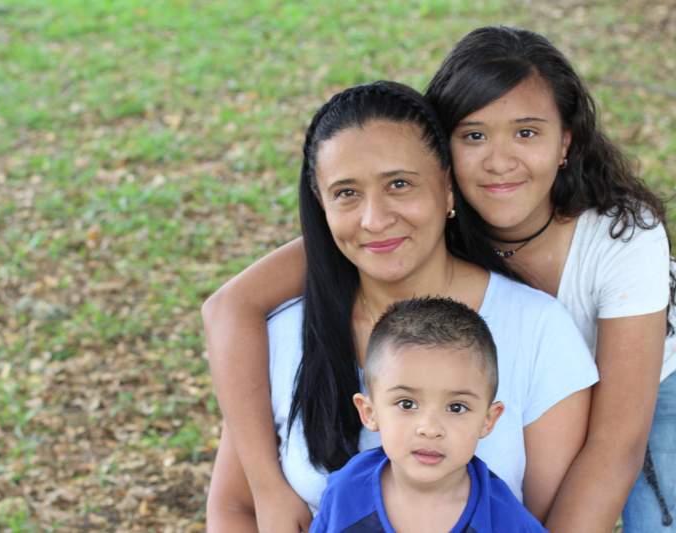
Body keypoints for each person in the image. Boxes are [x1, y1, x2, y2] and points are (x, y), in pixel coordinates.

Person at [203, 26, 675, 532]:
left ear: (445, 189)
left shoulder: (569, 299)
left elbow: (608, 454)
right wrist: (268, 489)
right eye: (346, 193)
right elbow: (233, 506)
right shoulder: (286, 330)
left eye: (399, 184)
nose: (374, 220)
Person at [312, 297, 545, 533]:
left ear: (488, 420)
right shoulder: (345, 493)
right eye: (407, 404)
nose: (430, 429)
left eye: (456, 407)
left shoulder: (505, 521)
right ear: (369, 412)